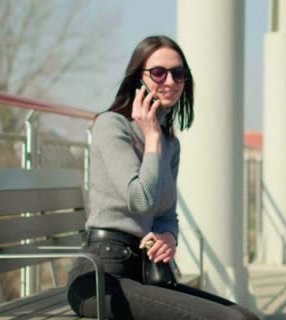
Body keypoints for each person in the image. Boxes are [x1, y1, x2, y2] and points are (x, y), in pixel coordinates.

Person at [66, 35, 259, 320]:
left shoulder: (170, 143)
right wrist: (152, 137)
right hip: (100, 280)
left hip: (145, 273)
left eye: (178, 73)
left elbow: (165, 213)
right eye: (158, 72)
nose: (170, 81)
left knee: (245, 316)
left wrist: (169, 236)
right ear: (138, 78)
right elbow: (141, 201)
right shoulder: (112, 126)